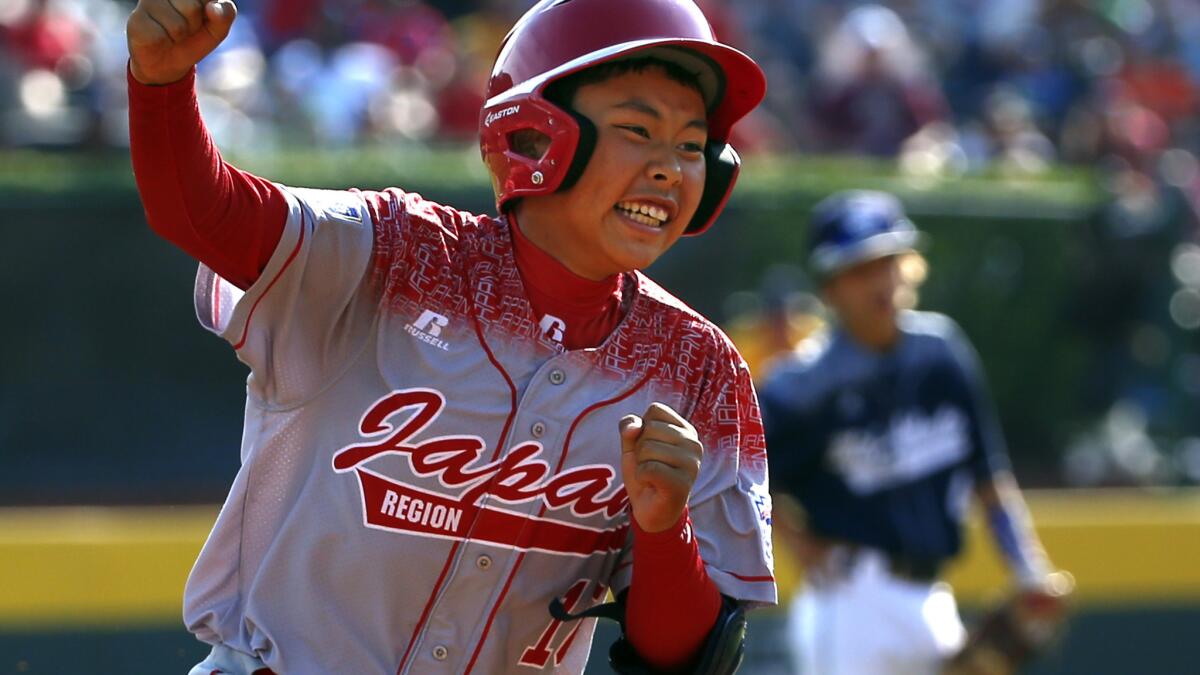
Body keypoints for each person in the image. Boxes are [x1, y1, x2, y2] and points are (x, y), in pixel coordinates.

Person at [125, 0, 775, 673]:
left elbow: (693, 653)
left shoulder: (697, 369)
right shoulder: (392, 255)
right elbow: (203, 211)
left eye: (693, 146)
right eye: (638, 130)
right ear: (535, 136)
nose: (671, 167)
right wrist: (161, 86)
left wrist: (667, 527)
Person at [758, 191, 1060, 675]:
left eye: (888, 262)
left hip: (932, 596)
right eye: (859, 270)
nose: (881, 281)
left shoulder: (941, 354)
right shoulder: (801, 386)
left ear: (911, 266)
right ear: (830, 287)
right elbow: (737, 471)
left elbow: (989, 474)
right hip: (853, 600)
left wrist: (1028, 568)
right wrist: (795, 541)